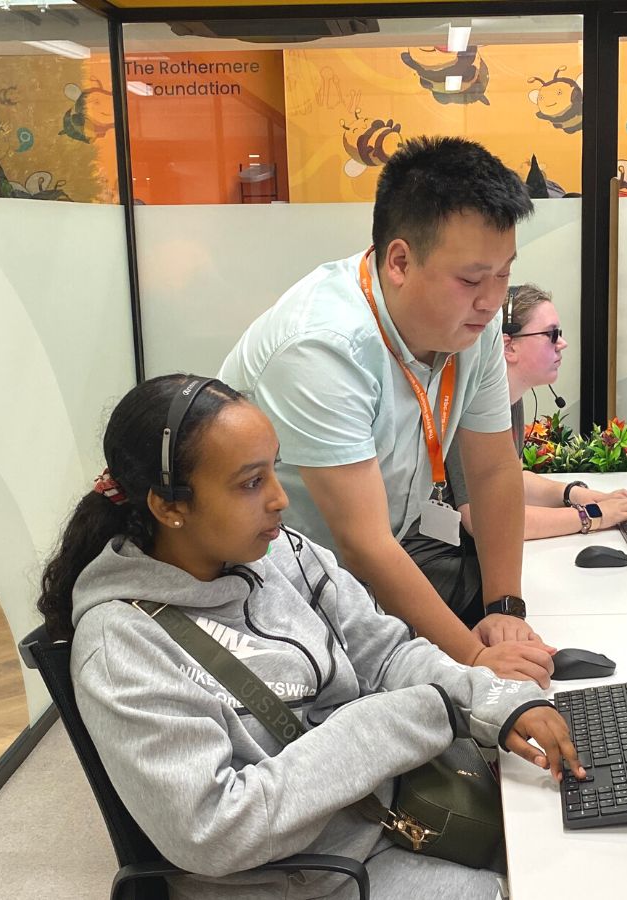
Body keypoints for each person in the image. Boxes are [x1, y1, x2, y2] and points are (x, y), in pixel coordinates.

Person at [38, 374, 584, 900]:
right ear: (170, 506)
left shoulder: (283, 552)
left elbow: (387, 654)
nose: (280, 499)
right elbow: (213, 830)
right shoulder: (122, 646)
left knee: (568, 848)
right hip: (310, 880)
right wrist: (409, 717)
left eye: (273, 471)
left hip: (393, 815)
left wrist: (496, 699)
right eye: (251, 483)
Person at [220, 136, 556, 687]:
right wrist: (473, 659)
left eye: (504, 273)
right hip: (275, 585)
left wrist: (505, 610)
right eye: (472, 279)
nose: (493, 300)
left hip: (380, 555)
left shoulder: (474, 324)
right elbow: (363, 543)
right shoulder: (322, 346)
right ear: (399, 261)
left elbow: (494, 468)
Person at [446, 284, 627, 540]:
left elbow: (510, 481)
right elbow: (485, 519)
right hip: (441, 556)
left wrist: (576, 495)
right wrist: (592, 515)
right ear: (509, 347)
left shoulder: (510, 399)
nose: (562, 343)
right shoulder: (473, 404)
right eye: (551, 334)